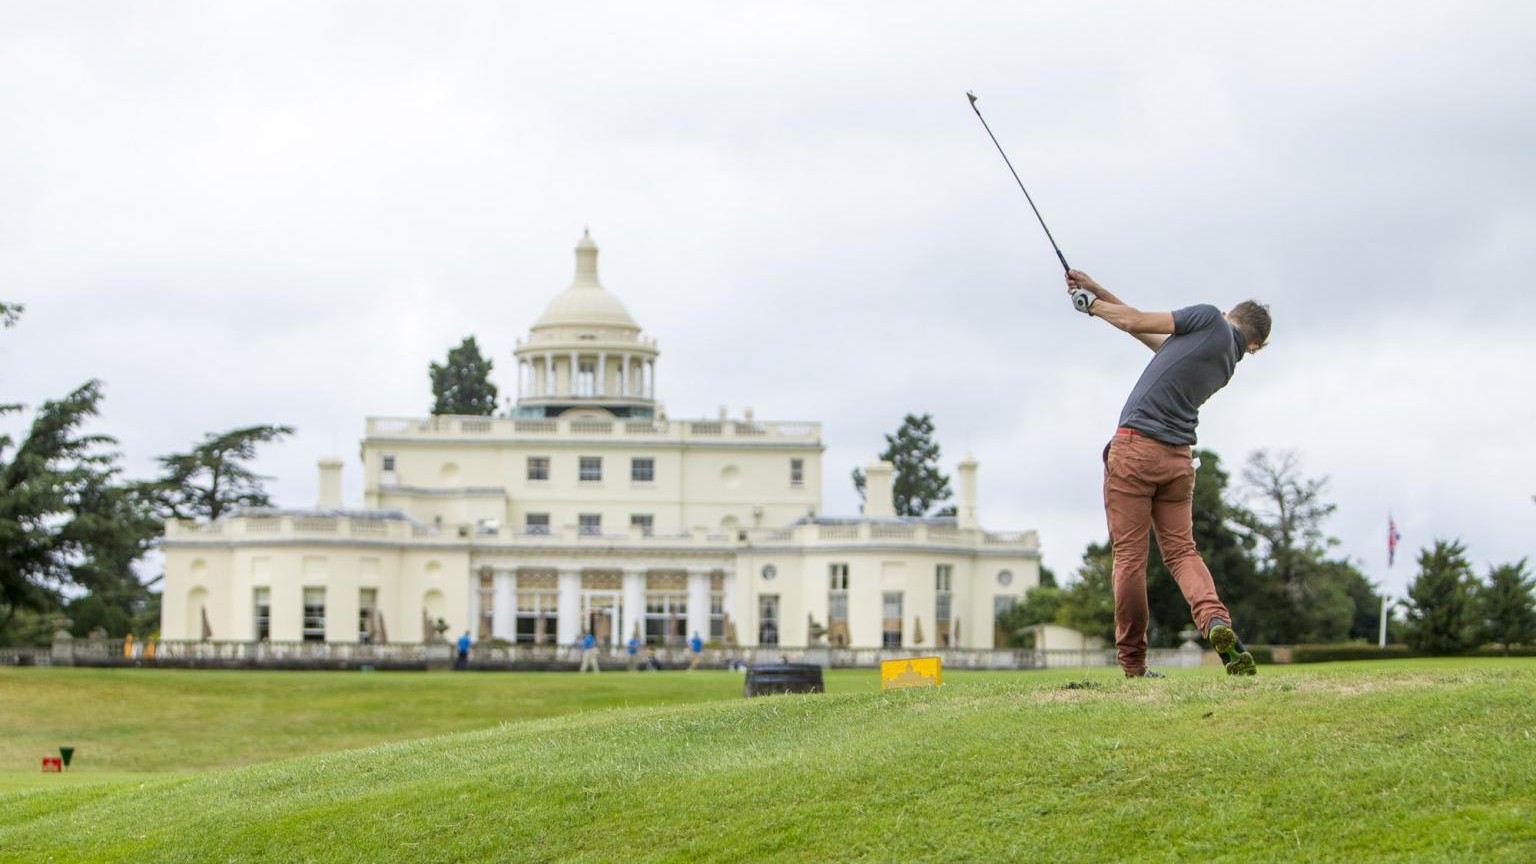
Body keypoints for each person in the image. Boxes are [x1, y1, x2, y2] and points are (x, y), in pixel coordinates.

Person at [1065, 269, 1270, 678]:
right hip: (1177, 461)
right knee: (1182, 553)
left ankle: (1134, 664)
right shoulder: (1226, 364)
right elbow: (1146, 334)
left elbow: (1136, 321)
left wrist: (1092, 306)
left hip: (1136, 451)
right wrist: (1099, 293)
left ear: (1230, 312)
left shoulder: (1209, 317)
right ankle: (1216, 623)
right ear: (1254, 346)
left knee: (1129, 560)